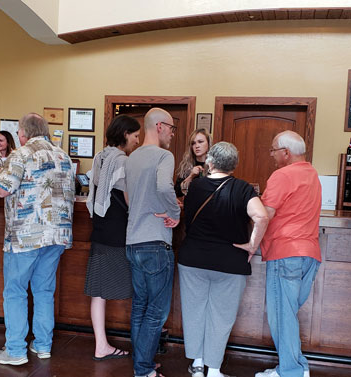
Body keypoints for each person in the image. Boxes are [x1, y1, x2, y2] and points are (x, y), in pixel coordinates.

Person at [179, 142, 268, 377]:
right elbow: (261, 216)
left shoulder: (195, 187)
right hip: (231, 262)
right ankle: (214, 370)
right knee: (221, 316)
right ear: (234, 165)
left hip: (193, 259)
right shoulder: (243, 189)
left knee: (194, 311)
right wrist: (252, 245)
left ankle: (197, 364)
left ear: (210, 162)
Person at [0, 113, 75, 366]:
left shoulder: (21, 154)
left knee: (15, 291)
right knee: (44, 291)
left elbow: (2, 189)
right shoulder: (64, 156)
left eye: (18, 132)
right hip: (57, 234)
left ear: (23, 133)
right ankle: (42, 345)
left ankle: (16, 349)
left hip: (26, 235)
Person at [255, 131, 321, 377]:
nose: (271, 155)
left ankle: (290, 371)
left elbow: (264, 216)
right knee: (288, 315)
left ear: (285, 152)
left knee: (282, 315)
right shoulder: (312, 173)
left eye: (273, 150)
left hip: (285, 253)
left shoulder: (282, 175)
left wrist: (251, 245)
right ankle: (296, 367)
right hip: (310, 254)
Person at [125, 107, 181, 377]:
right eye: (171, 127)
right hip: (155, 243)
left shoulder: (131, 157)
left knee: (140, 307)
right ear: (159, 126)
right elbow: (163, 187)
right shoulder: (163, 156)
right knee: (156, 312)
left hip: (133, 241)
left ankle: (141, 362)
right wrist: (175, 213)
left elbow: (127, 197)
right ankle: (143, 369)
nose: (172, 133)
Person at [84, 114, 140, 360]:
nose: (138, 141)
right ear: (126, 134)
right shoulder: (123, 161)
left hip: (99, 227)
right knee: (137, 287)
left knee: (99, 290)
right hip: (118, 231)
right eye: (136, 136)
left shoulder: (100, 156)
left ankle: (101, 344)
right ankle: (136, 348)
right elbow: (130, 199)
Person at [175, 128, 211, 198]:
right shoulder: (186, 166)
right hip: (190, 207)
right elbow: (177, 192)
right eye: (193, 143)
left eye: (200, 142)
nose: (197, 146)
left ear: (208, 143)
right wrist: (191, 176)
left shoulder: (214, 166)